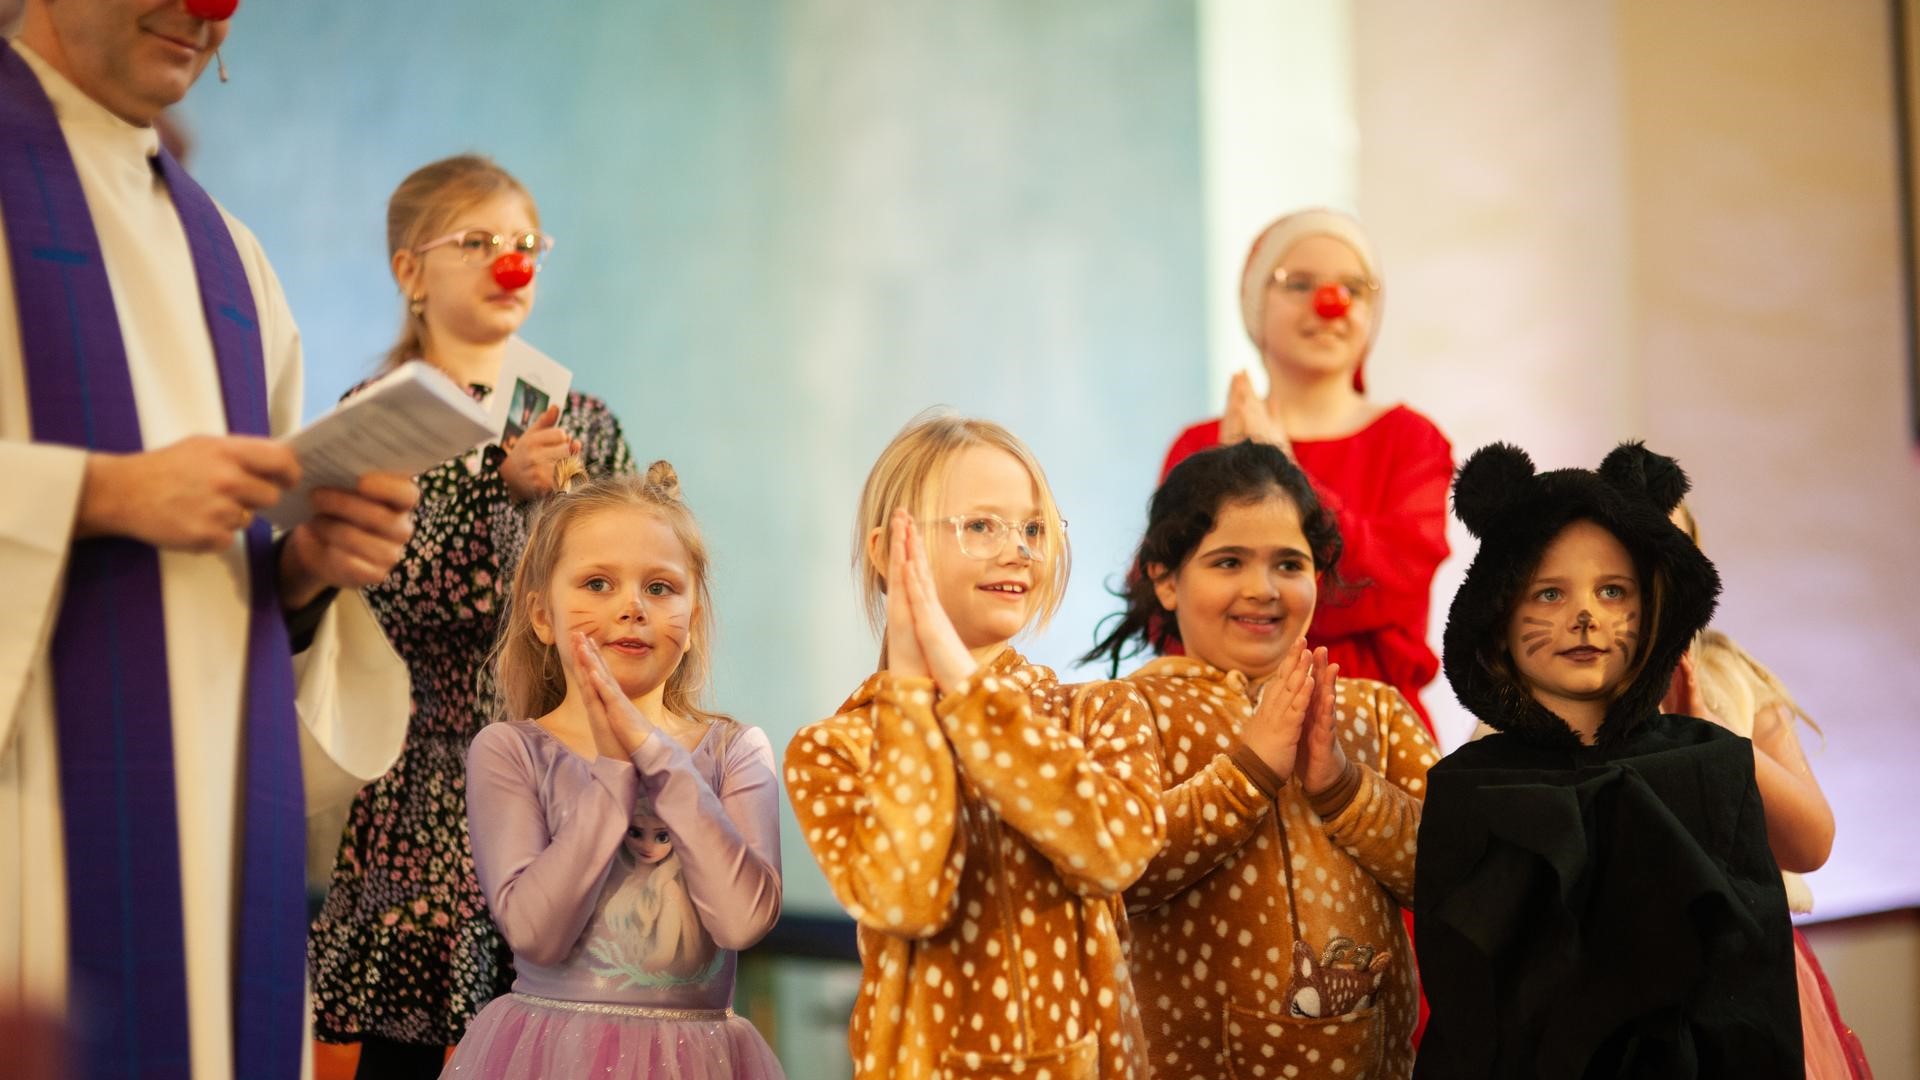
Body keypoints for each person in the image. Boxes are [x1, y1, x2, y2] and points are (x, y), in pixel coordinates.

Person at [0, 2, 419, 1077]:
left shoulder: (231, 259)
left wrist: (307, 571)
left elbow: (224, 598)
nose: (211, 10)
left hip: (220, 859)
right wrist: (94, 494)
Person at [308, 154, 635, 1077]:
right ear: (411, 270)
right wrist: (499, 486)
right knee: (410, 1050)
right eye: (480, 242)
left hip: (559, 776)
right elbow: (390, 589)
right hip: (424, 786)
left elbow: (622, 586)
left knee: (550, 1038)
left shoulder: (587, 422)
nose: (511, 264)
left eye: (525, 243)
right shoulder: (383, 420)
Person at [785, 412, 1167, 1079]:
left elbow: (1113, 852)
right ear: (886, 552)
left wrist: (966, 693)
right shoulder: (835, 748)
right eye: (981, 525)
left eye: (1033, 528)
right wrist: (910, 692)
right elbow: (907, 898)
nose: (1019, 549)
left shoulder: (1099, 711)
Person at [1413, 442, 1801, 1078]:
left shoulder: (1713, 768)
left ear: (1653, 610)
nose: (1586, 615)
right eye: (1548, 594)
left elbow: (1752, 990)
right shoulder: (1467, 790)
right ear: (1497, 615)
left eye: (1613, 590)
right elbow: (1465, 1006)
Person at [1084, 440, 1436, 1079]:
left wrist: (1342, 788)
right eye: (1227, 562)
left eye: (1289, 563)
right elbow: (1117, 871)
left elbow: (1454, 875)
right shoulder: (1127, 712)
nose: (1262, 589)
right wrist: (1250, 772)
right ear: (1165, 579)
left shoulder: (1375, 713)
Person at [443, 466, 783, 1079]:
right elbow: (535, 933)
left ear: (694, 621)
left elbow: (742, 919)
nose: (631, 607)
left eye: (659, 588)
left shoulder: (737, 752)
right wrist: (612, 771)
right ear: (542, 615)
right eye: (598, 583)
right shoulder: (509, 751)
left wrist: (658, 759)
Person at [1161, 209, 1451, 731]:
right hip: (1218, 729)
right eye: (1299, 284)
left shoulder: (1411, 441)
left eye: (1354, 288)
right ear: (1255, 302)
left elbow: (1386, 586)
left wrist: (1282, 470)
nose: (1330, 303)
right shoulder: (1199, 444)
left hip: (1372, 731)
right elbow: (1165, 601)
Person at [1666, 503, 1872, 1079]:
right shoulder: (1559, 692)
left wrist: (1719, 741)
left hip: (1756, 977)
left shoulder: (1728, 677)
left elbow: (1812, 841)